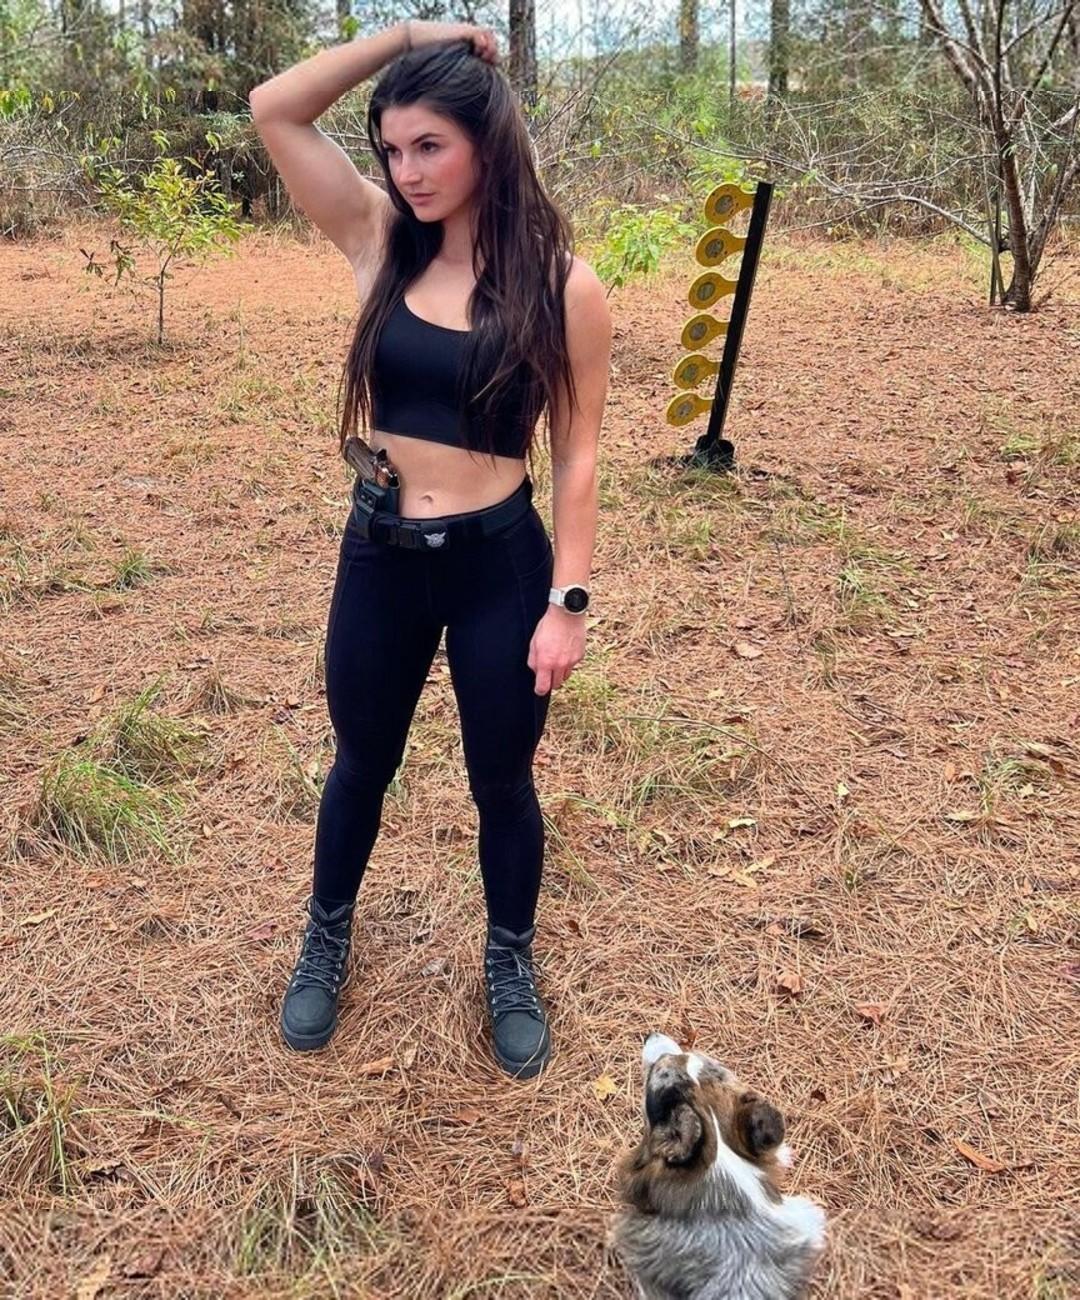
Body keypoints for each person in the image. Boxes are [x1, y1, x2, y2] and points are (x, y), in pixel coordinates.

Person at [249, 19, 611, 1079]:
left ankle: (510, 959)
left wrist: (568, 602)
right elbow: (275, 108)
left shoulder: (563, 285)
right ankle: (326, 936)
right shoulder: (378, 241)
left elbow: (579, 451)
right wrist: (408, 35)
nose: (405, 172)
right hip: (382, 554)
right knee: (361, 760)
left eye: (429, 146)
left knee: (502, 778)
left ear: (485, 143)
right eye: (392, 148)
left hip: (500, 564)